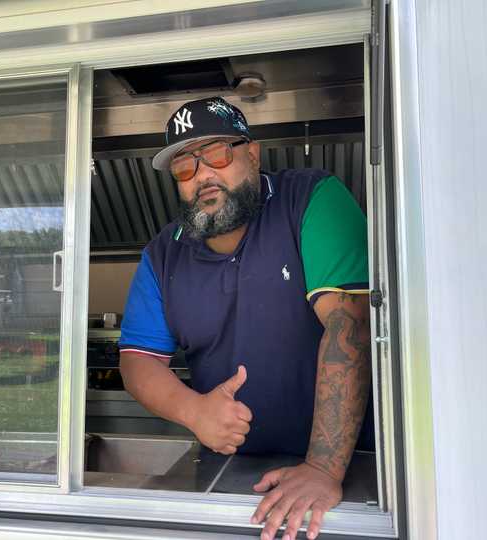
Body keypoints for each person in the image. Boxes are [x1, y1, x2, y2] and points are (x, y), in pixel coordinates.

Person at [119, 96, 371, 540]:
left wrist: (321, 466)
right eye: (185, 167)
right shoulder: (162, 254)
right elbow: (138, 361)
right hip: (229, 477)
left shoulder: (310, 199)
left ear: (252, 154)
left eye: (216, 153)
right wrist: (195, 411)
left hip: (343, 475)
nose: (203, 176)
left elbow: (350, 323)